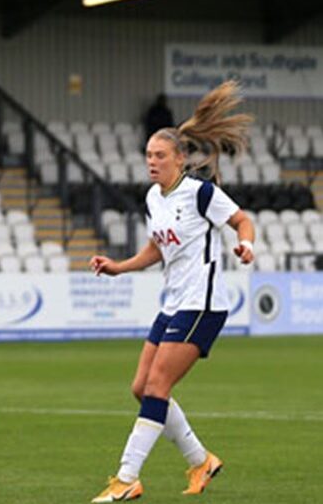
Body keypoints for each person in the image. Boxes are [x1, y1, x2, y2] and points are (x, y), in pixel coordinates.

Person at [88, 81, 256, 503]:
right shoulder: (153, 197)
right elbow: (156, 249)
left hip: (203, 305)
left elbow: (242, 220)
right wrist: (119, 267)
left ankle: (127, 477)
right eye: (148, 155)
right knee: (141, 387)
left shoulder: (200, 193)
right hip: (174, 304)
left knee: (157, 387)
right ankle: (201, 460)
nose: (152, 161)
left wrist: (246, 245)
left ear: (180, 158)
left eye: (160, 155)